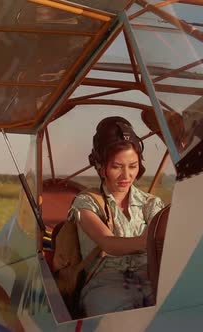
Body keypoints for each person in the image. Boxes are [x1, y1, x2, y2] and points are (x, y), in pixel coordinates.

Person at [67, 116, 165, 316]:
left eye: (133, 166)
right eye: (117, 167)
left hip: (150, 280)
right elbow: (108, 243)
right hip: (104, 284)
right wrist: (147, 241)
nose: (126, 175)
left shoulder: (151, 204)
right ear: (101, 167)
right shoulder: (87, 202)